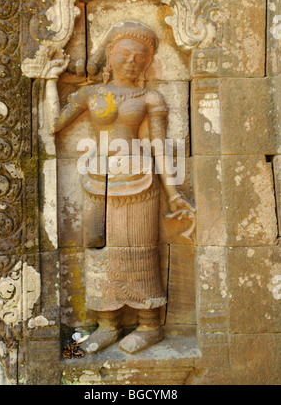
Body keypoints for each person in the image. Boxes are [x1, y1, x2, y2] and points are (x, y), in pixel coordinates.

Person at [44, 21, 195, 354]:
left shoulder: (149, 97)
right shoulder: (90, 94)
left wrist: (174, 193)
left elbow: (158, 146)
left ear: (147, 64)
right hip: (97, 179)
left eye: (140, 58)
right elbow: (52, 124)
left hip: (139, 181)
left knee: (138, 250)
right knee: (97, 248)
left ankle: (149, 324)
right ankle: (108, 324)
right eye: (124, 54)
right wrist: (47, 80)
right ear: (109, 55)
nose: (132, 62)